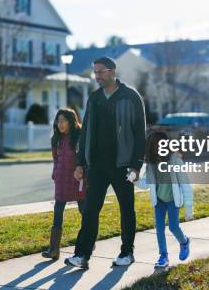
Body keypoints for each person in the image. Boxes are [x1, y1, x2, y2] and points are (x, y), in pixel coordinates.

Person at [64, 56, 146, 270]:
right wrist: (81, 163)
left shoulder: (131, 97)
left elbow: (140, 133)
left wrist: (137, 165)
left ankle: (127, 252)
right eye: (95, 72)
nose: (96, 76)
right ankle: (82, 255)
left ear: (112, 71)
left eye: (100, 72)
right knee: (90, 210)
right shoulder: (94, 98)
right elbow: (86, 132)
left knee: (127, 210)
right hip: (97, 166)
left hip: (123, 165)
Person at [137, 131, 193, 268]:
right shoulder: (151, 163)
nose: (157, 148)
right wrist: (135, 179)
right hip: (159, 201)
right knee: (159, 229)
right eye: (154, 146)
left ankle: (184, 242)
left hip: (173, 199)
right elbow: (145, 184)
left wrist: (189, 208)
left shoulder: (175, 160)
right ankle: (163, 256)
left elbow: (185, 184)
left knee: (173, 227)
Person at [42, 108, 87, 260]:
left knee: (84, 210)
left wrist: (83, 173)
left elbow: (84, 157)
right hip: (61, 179)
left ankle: (88, 240)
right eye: (58, 121)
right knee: (58, 210)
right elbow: (55, 158)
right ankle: (54, 249)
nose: (60, 124)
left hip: (78, 178)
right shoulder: (56, 139)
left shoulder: (80, 136)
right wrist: (55, 173)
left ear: (71, 121)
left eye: (63, 121)